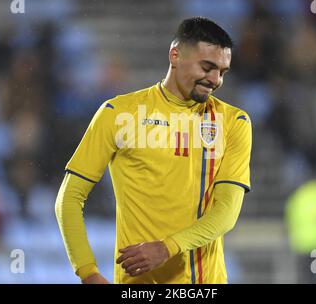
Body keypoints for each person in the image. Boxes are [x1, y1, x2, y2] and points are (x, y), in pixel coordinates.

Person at [55, 17, 252, 284]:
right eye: (207, 67)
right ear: (175, 55)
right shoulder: (119, 114)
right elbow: (68, 199)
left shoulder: (233, 122)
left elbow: (226, 212)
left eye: (222, 72)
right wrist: (87, 272)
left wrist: (168, 247)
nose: (215, 79)